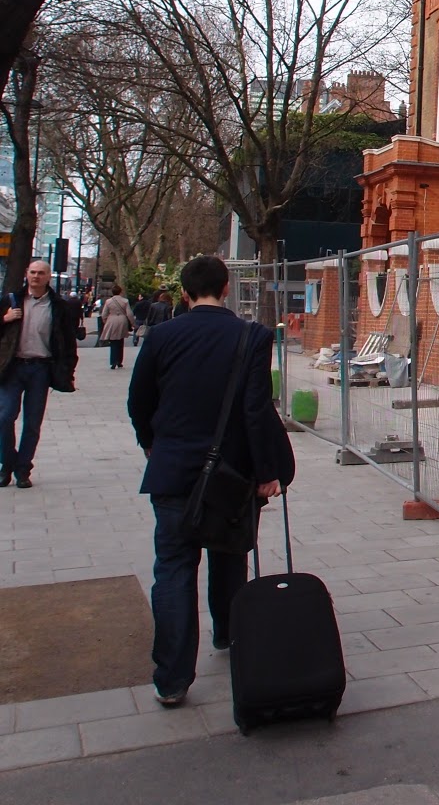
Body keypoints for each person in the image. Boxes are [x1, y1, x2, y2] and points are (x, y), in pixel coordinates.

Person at [128, 255, 295, 709]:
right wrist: (267, 473)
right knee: (228, 555)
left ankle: (173, 678)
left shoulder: (162, 336)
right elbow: (257, 411)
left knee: (174, 570)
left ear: (184, 292)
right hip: (233, 474)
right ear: (226, 288)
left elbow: (139, 400)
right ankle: (228, 633)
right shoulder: (252, 337)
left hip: (173, 470)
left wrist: (151, 443)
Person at [0, 259, 81, 488]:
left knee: (33, 422)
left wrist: (68, 370)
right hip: (12, 367)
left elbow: (67, 340)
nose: (36, 277)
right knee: (4, 418)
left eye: (41, 273)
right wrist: (4, 319)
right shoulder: (11, 300)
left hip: (40, 368)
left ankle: (23, 469)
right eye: (33, 272)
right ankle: (7, 463)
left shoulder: (58, 306)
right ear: (26, 274)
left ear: (48, 277)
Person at [99, 285, 135, 370]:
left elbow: (104, 314)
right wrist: (132, 323)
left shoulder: (108, 301)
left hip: (112, 320)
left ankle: (113, 361)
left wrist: (105, 321)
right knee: (120, 341)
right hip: (122, 320)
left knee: (113, 341)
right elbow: (129, 313)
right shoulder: (125, 301)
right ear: (120, 291)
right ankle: (119, 361)